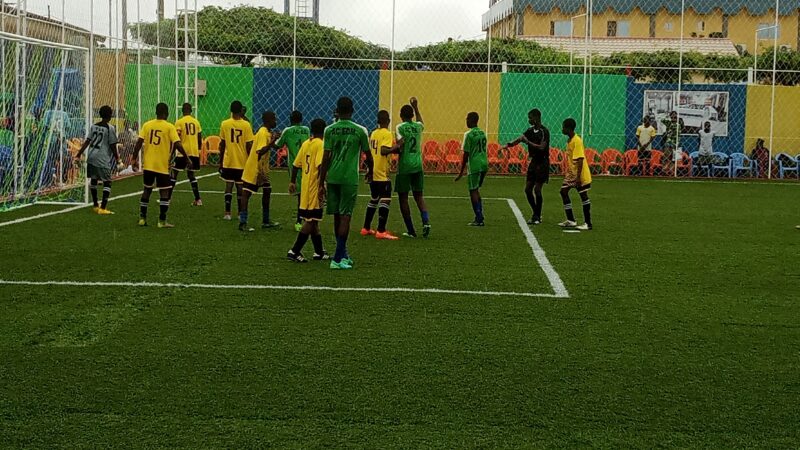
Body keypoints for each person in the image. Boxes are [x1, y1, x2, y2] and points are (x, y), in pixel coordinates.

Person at [318, 96, 372, 270]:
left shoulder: (329, 130)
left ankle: (343, 254)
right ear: (353, 110)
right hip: (349, 178)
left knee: (336, 215)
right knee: (346, 215)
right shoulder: (360, 130)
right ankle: (337, 258)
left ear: (337, 110)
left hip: (332, 177)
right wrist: (370, 171)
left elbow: (325, 158)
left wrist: (321, 182)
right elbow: (368, 155)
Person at [134, 103, 190, 228]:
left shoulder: (147, 125)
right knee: (164, 192)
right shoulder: (169, 127)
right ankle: (162, 221)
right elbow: (178, 144)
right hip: (162, 166)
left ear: (156, 112)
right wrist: (187, 158)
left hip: (148, 164)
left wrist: (133, 159)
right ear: (166, 113)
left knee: (147, 190)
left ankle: (142, 219)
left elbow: (139, 142)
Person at [287, 118, 330, 262]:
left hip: (305, 187)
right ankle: (294, 251)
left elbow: (296, 164)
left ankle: (319, 252)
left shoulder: (307, 143)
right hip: (313, 187)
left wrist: (293, 181)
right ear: (324, 130)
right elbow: (320, 166)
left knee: (313, 220)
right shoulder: (321, 144)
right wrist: (322, 185)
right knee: (310, 221)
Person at [391, 97, 430, 238]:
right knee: (419, 196)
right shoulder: (418, 127)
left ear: (401, 116)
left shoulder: (399, 127)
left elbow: (400, 144)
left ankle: (411, 230)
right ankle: (426, 222)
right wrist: (416, 107)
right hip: (418, 165)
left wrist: (391, 150)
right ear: (412, 115)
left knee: (403, 198)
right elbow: (421, 121)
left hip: (405, 166)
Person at [502, 108, 550, 224]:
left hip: (542, 162)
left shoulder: (544, 131)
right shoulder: (530, 130)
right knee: (528, 190)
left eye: (530, 118)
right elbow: (520, 139)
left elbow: (542, 147)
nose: (529, 120)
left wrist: (527, 142)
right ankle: (536, 213)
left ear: (537, 118)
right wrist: (509, 144)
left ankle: (537, 216)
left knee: (537, 190)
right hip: (534, 162)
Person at [74, 105, 122, 215]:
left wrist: (79, 154)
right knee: (107, 182)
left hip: (91, 156)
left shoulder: (94, 126)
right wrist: (118, 159)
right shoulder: (110, 128)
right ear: (110, 115)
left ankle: (95, 205)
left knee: (94, 179)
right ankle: (103, 208)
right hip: (102, 158)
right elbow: (113, 145)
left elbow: (87, 141)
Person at [239, 111, 282, 232]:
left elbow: (273, 147)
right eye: (274, 119)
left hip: (262, 169)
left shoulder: (266, 132)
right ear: (268, 120)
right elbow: (260, 151)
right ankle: (242, 222)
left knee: (267, 190)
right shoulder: (263, 132)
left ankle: (266, 220)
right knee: (246, 193)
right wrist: (273, 141)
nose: (276, 121)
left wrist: (276, 139)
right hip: (255, 168)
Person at [361, 110, 399, 240]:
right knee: (385, 198)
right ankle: (381, 230)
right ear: (388, 121)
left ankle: (366, 228)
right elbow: (383, 150)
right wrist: (397, 146)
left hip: (373, 171)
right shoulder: (387, 133)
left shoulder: (373, 133)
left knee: (374, 198)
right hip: (381, 171)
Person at [275, 110, 310, 232]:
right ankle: (307, 217)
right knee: (306, 191)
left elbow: (277, 146)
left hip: (295, 165)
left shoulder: (287, 130)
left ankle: (299, 221)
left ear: (290, 119)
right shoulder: (306, 129)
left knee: (301, 194)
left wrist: (274, 138)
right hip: (308, 164)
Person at [219, 101, 254, 221]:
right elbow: (249, 144)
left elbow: (222, 144)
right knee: (240, 188)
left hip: (228, 161)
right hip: (242, 161)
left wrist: (220, 161)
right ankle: (240, 213)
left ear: (231, 110)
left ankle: (227, 212)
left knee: (228, 186)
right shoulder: (246, 125)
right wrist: (251, 161)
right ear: (241, 111)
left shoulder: (224, 124)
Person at [559, 118, 592, 231]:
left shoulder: (577, 141)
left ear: (568, 128)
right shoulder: (570, 140)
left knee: (583, 195)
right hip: (571, 174)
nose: (562, 129)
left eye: (563, 127)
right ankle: (571, 220)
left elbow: (580, 160)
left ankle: (588, 223)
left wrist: (578, 178)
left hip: (580, 174)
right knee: (563, 191)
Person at [455, 111, 488, 226]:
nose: (466, 121)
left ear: (471, 120)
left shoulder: (468, 134)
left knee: (473, 190)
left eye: (467, 119)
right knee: (476, 189)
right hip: (484, 163)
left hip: (475, 165)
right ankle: (480, 215)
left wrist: (461, 171)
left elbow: (466, 154)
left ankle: (479, 219)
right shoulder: (483, 133)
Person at [172, 103, 203, 205]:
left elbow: (177, 138)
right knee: (191, 175)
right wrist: (198, 150)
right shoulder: (196, 122)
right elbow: (199, 138)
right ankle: (198, 199)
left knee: (174, 174)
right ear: (191, 111)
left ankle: (167, 198)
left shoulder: (179, 122)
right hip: (193, 152)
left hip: (183, 152)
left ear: (182, 110)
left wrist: (172, 153)